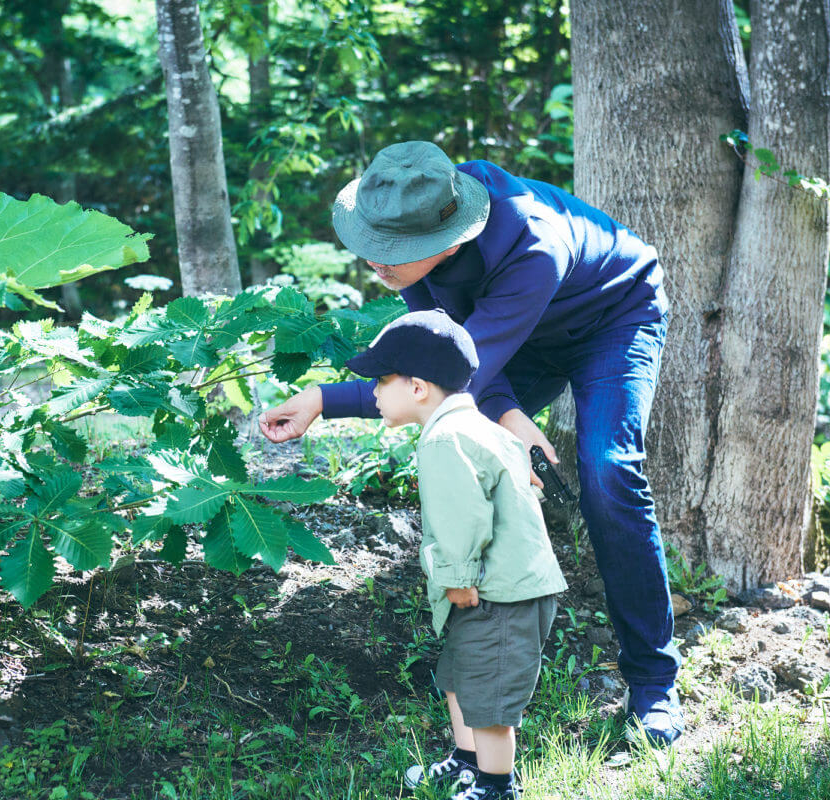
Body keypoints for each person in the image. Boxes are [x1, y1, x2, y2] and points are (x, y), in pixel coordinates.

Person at [259, 140, 683, 746]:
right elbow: (444, 361)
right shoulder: (418, 222)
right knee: (460, 436)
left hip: (611, 318)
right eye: (372, 247)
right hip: (511, 331)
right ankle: (481, 643)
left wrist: (502, 408)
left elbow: (454, 374)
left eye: (392, 256)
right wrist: (323, 401)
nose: (376, 264)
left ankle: (652, 682)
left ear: (451, 242)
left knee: (609, 470)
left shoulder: (532, 245)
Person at [344, 309, 567, 800]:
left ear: (418, 387)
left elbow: (463, 517)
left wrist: (458, 576)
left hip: (496, 592)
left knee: (487, 699)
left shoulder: (445, 439)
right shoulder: (484, 428)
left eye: (381, 380)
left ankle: (495, 785)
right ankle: (467, 763)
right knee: (459, 679)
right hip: (505, 587)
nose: (375, 392)